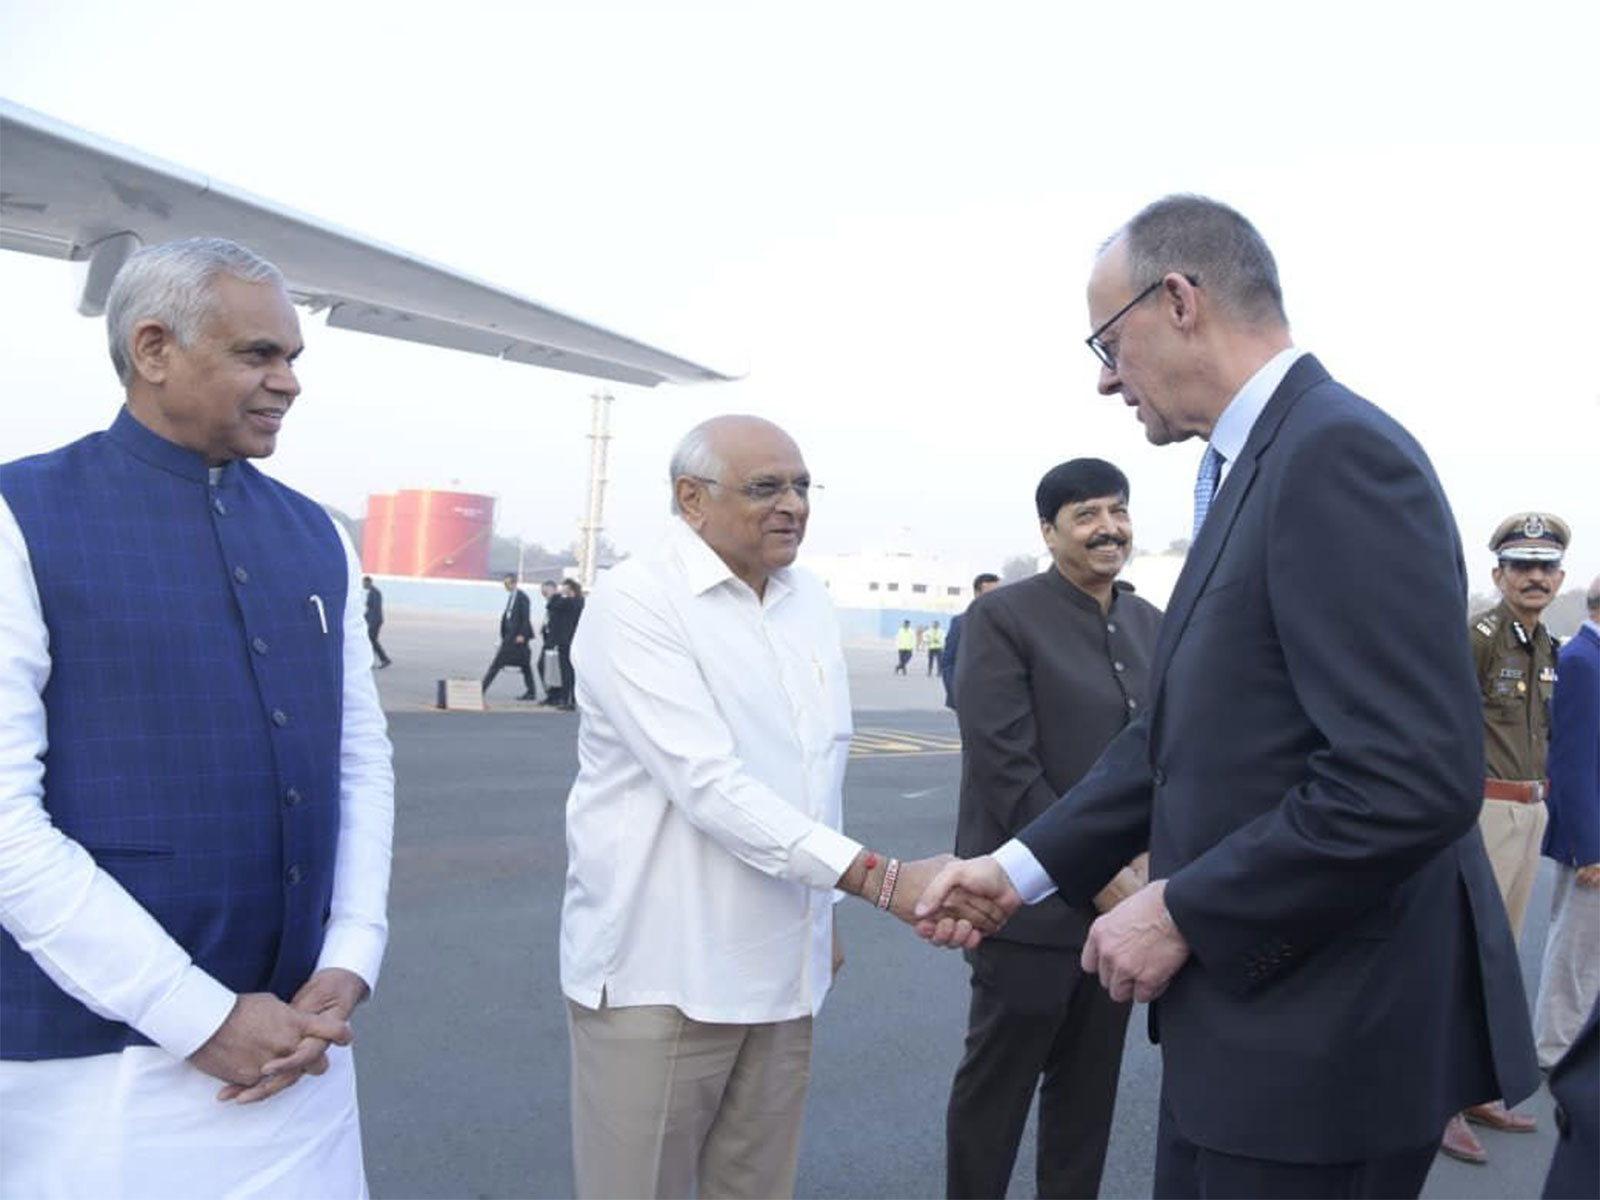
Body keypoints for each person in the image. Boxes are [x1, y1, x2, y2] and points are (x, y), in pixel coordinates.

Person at [917, 195, 1538, 1199]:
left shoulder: (1336, 454)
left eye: (1108, 341)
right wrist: (1018, 870)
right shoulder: (1252, 462)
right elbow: (1177, 740)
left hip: (1326, 1044)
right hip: (1258, 1032)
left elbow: (1410, 778)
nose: (1105, 376)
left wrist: (1185, 911)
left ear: (1177, 301)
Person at [0, 238, 394, 1196]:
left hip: (301, 1049)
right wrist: (195, 1014)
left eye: (294, 357)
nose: (289, 381)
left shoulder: (317, 536)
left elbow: (358, 761)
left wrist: (352, 955)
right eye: (260, 353)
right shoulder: (21, 513)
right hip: (90, 1070)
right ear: (153, 348)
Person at [560, 415, 998, 1200]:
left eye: (801, 486)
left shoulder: (807, 602)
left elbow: (812, 777)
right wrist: (878, 879)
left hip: (780, 972)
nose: (792, 504)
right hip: (662, 971)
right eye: (766, 488)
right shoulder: (638, 601)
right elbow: (708, 784)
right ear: (690, 499)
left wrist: (820, 916)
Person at [945, 458, 1161, 1200]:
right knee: (995, 1092)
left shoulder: (1150, 624)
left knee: (1088, 1096)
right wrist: (1106, 881)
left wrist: (1142, 878)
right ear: (1049, 531)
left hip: (1124, 912)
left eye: (1118, 510)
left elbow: (1168, 761)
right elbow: (1008, 771)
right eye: (1086, 515)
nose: (1109, 529)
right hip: (1026, 908)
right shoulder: (1001, 619)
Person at [1442, 512, 1570, 1161]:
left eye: (1546, 566)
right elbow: (1445, 726)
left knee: (1501, 956)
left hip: (1529, 811)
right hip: (1482, 812)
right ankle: (1437, 1103)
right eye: (1521, 565)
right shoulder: (1479, 637)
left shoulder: (1548, 647)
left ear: (1561, 577)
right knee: (1460, 956)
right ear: (1498, 574)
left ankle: (1475, 1089)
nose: (1535, 576)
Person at [1533, 576, 1600, 1069]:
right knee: (1574, 948)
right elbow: (1572, 761)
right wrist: (1589, 846)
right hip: (1591, 832)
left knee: (1591, 949)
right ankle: (1556, 1047)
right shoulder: (1581, 660)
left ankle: (1573, 1038)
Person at [941, 572, 1000, 710]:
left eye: (998, 593)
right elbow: (948, 663)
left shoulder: (1007, 623)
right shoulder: (961, 623)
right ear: (977, 593)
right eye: (989, 593)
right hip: (969, 700)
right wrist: (956, 694)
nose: (995, 598)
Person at [481, 572, 537, 701]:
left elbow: (525, 617)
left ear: (514, 583)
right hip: (510, 635)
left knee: (497, 663)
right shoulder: (512, 596)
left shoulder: (522, 597)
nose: (506, 586)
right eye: (505, 584)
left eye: (507, 583)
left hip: (516, 637)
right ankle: (531, 691)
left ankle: (482, 689)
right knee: (525, 665)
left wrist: (522, 634)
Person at [544, 578, 584, 711]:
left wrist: (558, 593)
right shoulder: (577, 602)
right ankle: (570, 698)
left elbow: (551, 604)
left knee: (567, 672)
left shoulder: (571, 602)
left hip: (566, 641)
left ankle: (568, 699)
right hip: (572, 641)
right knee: (569, 672)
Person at [363, 574, 392, 668]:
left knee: (372, 641)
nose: (363, 585)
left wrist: (370, 622)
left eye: (364, 583)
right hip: (374, 620)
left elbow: (374, 609)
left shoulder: (374, 593)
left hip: (375, 621)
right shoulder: (373, 592)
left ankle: (384, 659)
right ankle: (380, 659)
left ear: (368, 582)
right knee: (372, 641)